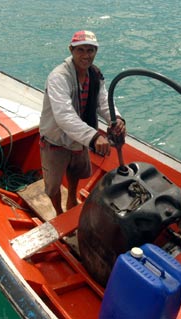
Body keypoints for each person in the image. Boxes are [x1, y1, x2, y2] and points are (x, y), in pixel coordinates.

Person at [39, 30, 126, 215]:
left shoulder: (94, 74)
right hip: (57, 139)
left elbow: (103, 101)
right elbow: (64, 115)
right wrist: (94, 137)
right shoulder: (59, 77)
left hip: (80, 138)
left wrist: (116, 119)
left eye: (91, 50)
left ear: (96, 52)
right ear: (71, 50)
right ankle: (58, 212)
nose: (86, 56)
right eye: (81, 50)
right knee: (53, 186)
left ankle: (71, 198)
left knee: (76, 171)